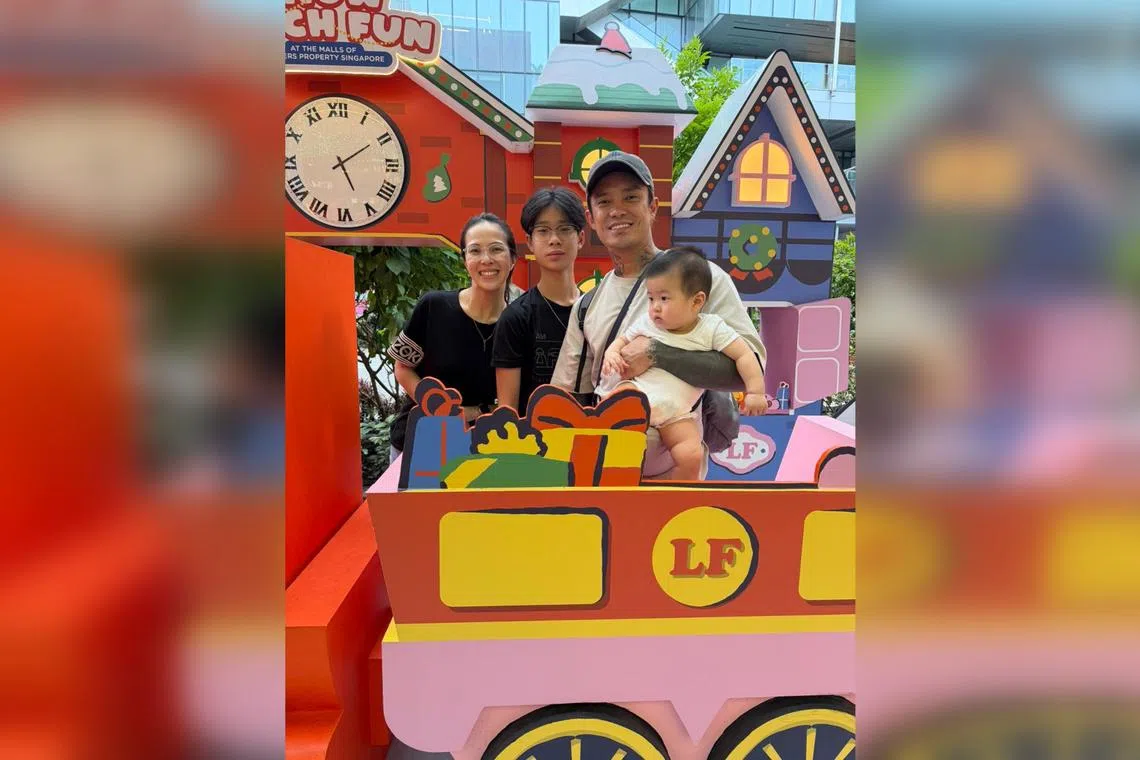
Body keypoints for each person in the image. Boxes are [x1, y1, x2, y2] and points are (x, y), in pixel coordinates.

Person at [550, 151, 766, 479]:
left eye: (631, 197)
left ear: (653, 207)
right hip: (608, 481)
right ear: (591, 218)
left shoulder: (701, 279)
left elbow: (748, 368)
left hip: (676, 487)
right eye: (604, 201)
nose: (617, 210)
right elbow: (572, 392)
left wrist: (656, 353)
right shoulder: (587, 304)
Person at [601, 247, 768, 480]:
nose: (654, 307)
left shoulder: (712, 328)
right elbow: (622, 340)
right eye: (650, 299)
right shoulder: (648, 322)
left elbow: (745, 356)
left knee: (691, 454)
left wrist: (756, 392)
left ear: (697, 301)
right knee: (618, 402)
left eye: (664, 298)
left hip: (677, 413)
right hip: (638, 395)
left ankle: (678, 493)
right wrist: (612, 353)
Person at [387, 212, 518, 456]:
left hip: (484, 450)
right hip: (418, 444)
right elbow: (403, 368)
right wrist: (443, 411)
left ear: (512, 259)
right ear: (465, 259)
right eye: (475, 251)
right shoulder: (433, 307)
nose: (486, 259)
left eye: (496, 249)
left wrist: (478, 414)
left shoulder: (517, 323)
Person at [492, 187, 586, 412]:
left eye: (564, 229)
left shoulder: (596, 310)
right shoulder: (516, 318)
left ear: (581, 238)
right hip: (533, 443)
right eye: (543, 231)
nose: (554, 239)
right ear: (530, 242)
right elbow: (508, 411)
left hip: (592, 440)